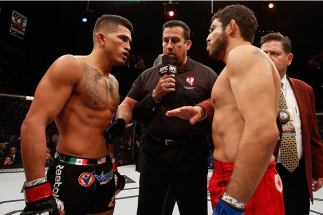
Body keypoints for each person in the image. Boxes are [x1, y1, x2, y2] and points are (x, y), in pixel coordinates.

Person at [166, 5, 284, 214]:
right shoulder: (237, 63)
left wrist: (234, 201)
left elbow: (263, 131)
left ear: (231, 27)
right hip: (236, 177)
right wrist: (202, 110)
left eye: (213, 29)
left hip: (244, 183)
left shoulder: (243, 54)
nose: (208, 37)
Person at [20, 14, 133, 215]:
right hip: (71, 171)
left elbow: (106, 132)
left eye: (130, 41)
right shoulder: (70, 65)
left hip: (105, 171)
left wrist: (113, 168)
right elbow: (34, 121)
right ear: (101, 39)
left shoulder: (114, 82)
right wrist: (36, 188)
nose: (128, 46)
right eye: (123, 38)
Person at [113, 20, 218, 215]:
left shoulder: (206, 74)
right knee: (149, 210)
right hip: (154, 154)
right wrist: (154, 95)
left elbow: (221, 104)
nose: (169, 45)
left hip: (191, 155)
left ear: (187, 44)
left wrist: (202, 111)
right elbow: (128, 105)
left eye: (175, 40)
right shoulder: (148, 75)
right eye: (165, 40)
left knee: (194, 210)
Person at [260, 32, 323, 215]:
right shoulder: (249, 88)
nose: (269, 58)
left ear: (289, 58)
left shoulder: (305, 89)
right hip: (266, 171)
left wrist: (318, 169)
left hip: (298, 171)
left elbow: (312, 134)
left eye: (275, 53)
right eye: (265, 54)